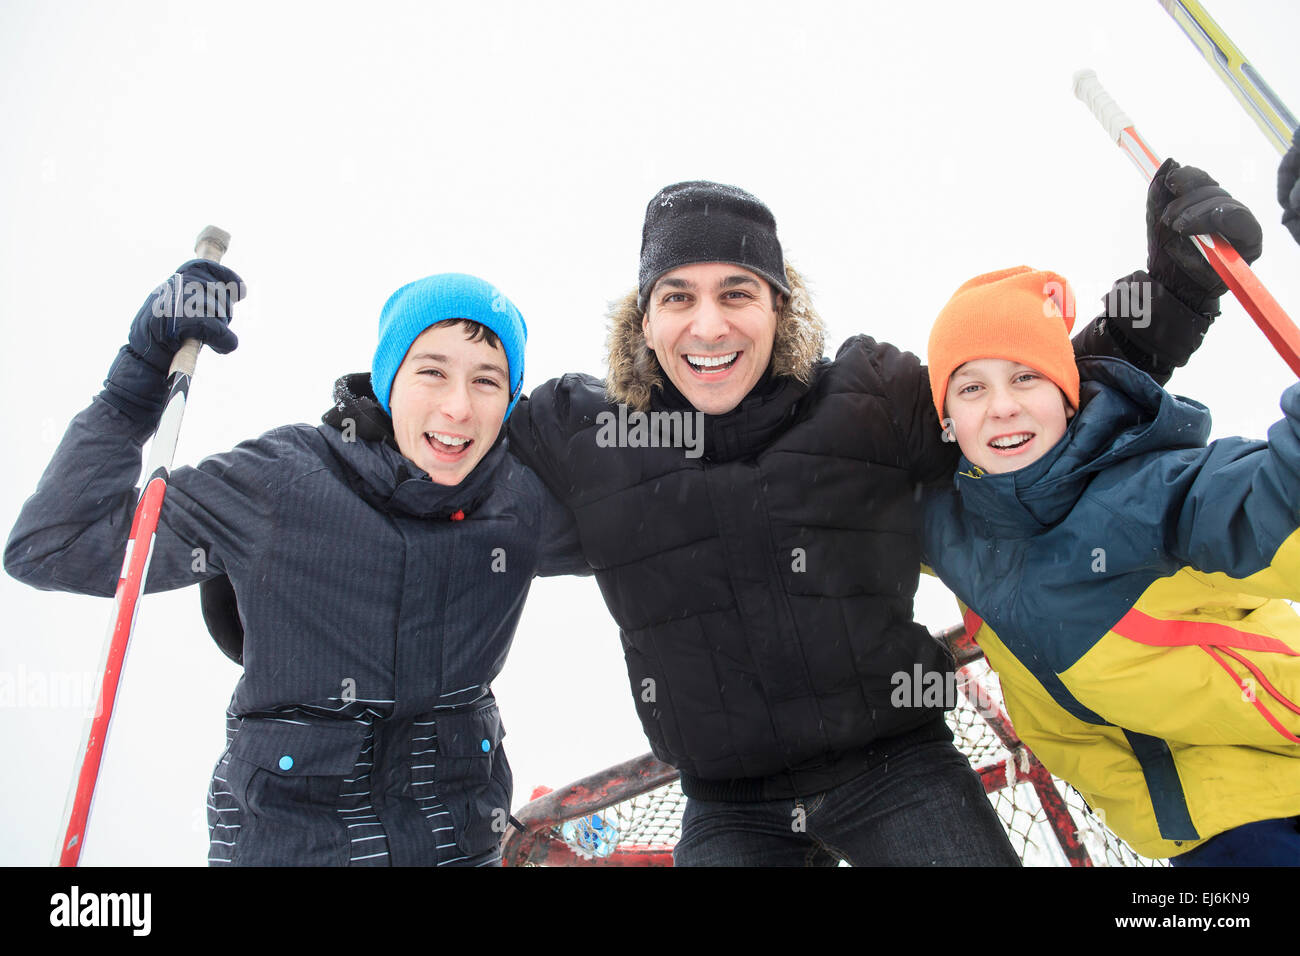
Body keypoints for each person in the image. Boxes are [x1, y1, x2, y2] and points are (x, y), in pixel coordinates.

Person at [503, 163, 1263, 865]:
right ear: (643, 320)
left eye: (737, 292)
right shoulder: (589, 437)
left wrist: (1175, 291)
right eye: (678, 297)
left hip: (894, 765)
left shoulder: (867, 404)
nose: (708, 327)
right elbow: (446, 454)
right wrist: (381, 414)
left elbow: (1024, 406)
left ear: (779, 305)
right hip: (728, 803)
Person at [5, 265, 586, 866]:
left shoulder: (518, 504)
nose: (458, 407)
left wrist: (622, 423)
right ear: (389, 379)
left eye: (487, 381)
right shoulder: (280, 484)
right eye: (432, 372)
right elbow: (57, 546)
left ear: (510, 400)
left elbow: (669, 537)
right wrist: (137, 382)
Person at [921, 265, 1300, 865]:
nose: (1002, 407)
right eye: (970, 389)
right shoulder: (948, 530)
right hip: (1197, 823)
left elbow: (1270, 503)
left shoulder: (1150, 491)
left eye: (1026, 377)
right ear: (945, 421)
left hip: (1278, 765)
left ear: (1067, 396)